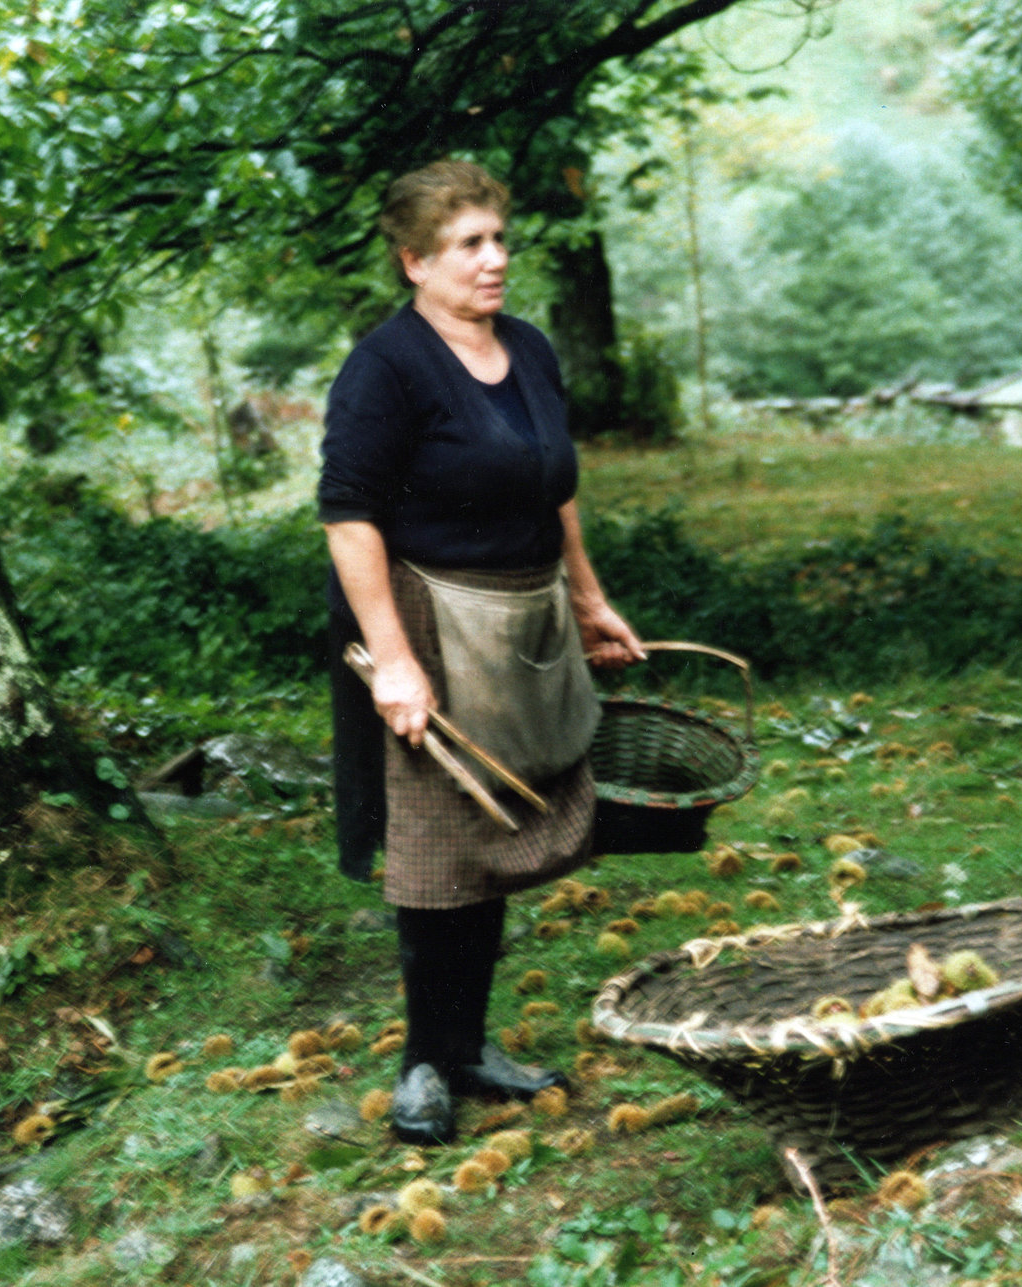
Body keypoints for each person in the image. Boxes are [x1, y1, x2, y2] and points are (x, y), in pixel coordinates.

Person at [318, 159, 644, 1145]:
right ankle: (425, 1062)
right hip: (426, 621)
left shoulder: (531, 350)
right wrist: (397, 660)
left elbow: (556, 486)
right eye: (469, 245)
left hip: (524, 617)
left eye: (500, 239)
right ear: (416, 262)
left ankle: (467, 1046)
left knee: (494, 839)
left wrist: (588, 598)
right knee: (437, 853)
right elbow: (348, 517)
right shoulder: (387, 366)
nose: (495, 260)